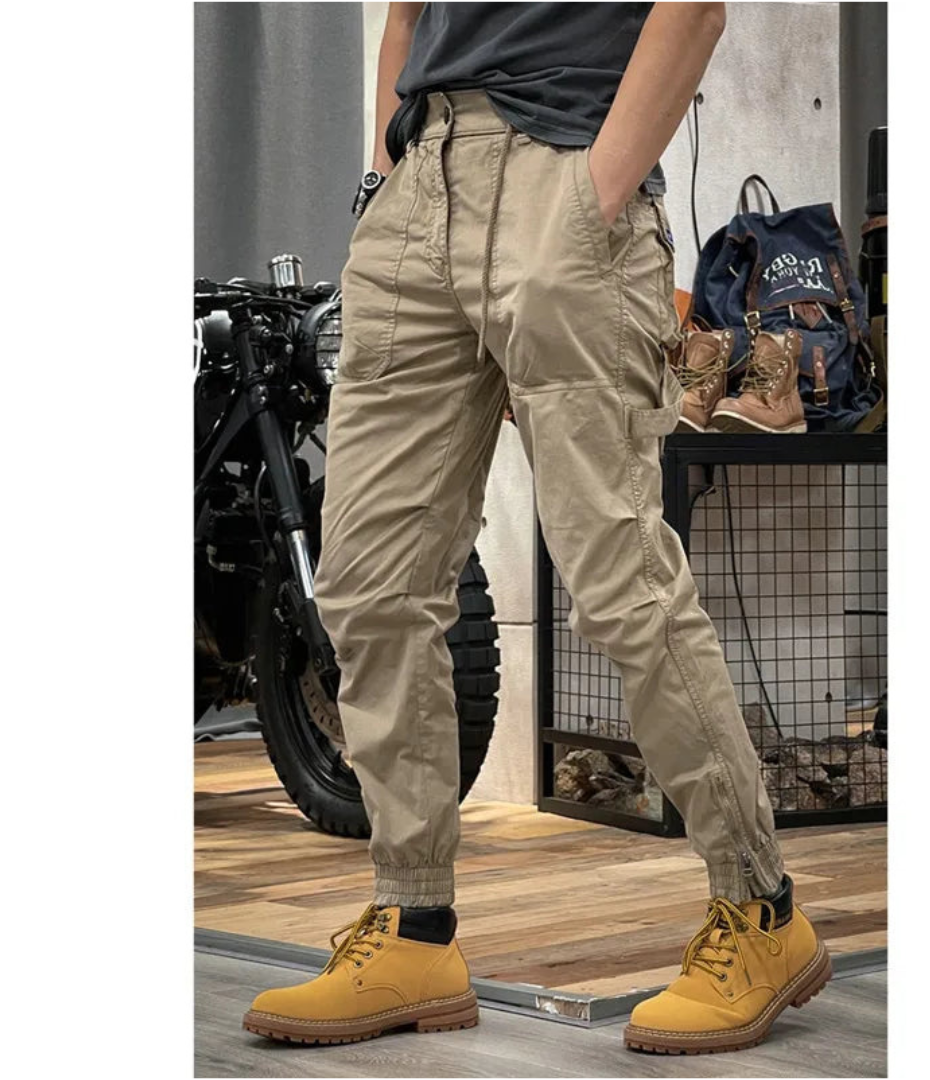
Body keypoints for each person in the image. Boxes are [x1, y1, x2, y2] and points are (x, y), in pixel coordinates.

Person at [243, 2, 831, 1055]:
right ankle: (413, 926)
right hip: (420, 185)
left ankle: (761, 912)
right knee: (369, 583)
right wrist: (386, 180)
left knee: (618, 580)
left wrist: (593, 197)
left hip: (564, 169)